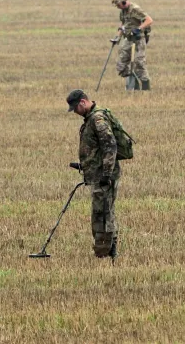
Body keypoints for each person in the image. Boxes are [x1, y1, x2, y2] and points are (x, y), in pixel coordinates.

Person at [67, 90, 120, 260]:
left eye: (75, 108)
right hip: (97, 175)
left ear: (83, 102)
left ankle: (107, 252)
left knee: (103, 214)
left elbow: (110, 146)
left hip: (104, 177)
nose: (75, 112)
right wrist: (85, 165)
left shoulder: (98, 119)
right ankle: (104, 251)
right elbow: (96, 149)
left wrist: (106, 174)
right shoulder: (91, 119)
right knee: (100, 212)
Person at [112, 0, 153, 90]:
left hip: (138, 39)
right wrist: (117, 37)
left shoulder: (135, 9)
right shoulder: (123, 11)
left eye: (118, 5)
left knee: (139, 63)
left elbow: (149, 20)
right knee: (121, 64)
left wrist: (139, 29)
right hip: (128, 38)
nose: (118, 7)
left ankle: (146, 87)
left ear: (124, 2)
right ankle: (133, 84)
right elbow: (123, 24)